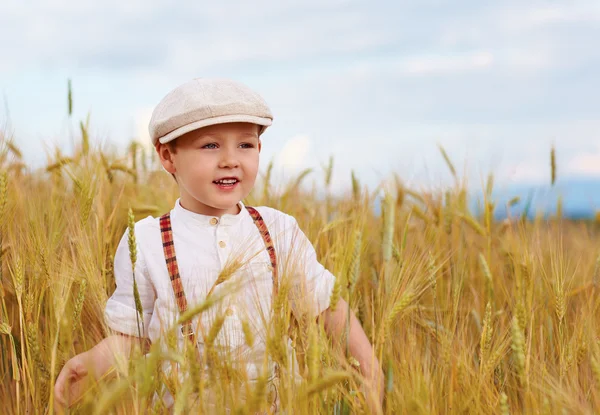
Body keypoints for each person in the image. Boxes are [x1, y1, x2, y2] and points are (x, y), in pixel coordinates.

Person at [54, 78, 383, 412]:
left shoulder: (278, 230)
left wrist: (368, 367)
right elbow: (132, 337)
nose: (230, 160)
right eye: (210, 146)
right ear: (168, 156)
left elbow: (326, 305)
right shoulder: (147, 241)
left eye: (245, 145)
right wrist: (94, 363)